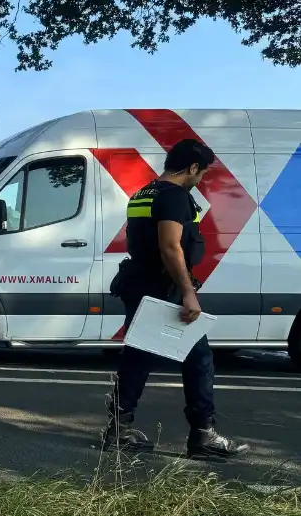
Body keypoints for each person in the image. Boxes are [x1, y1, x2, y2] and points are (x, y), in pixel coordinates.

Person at [102, 139, 248, 459]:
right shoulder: (175, 196)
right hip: (162, 290)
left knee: (138, 357)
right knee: (199, 359)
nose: (202, 180)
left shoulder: (144, 193)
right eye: (202, 173)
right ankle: (202, 436)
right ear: (193, 167)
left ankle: (119, 430)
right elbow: (170, 246)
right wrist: (187, 292)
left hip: (138, 283)